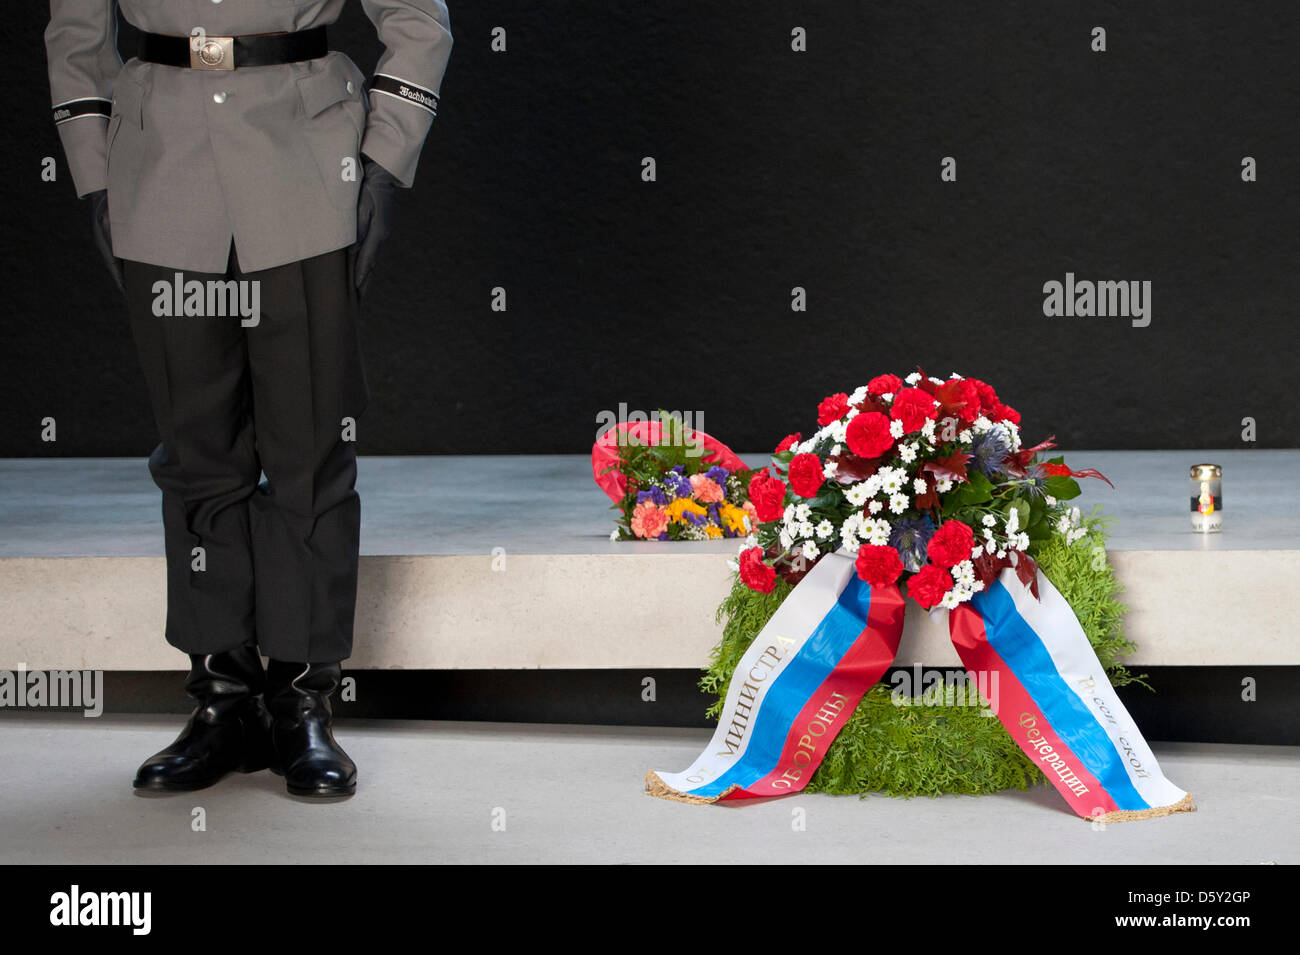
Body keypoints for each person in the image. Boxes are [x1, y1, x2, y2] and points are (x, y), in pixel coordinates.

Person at [45, 0, 453, 797]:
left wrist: (380, 163)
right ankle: (222, 702)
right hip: (158, 167)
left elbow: (419, 17)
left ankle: (302, 702)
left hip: (305, 163)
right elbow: (75, 31)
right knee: (197, 452)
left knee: (307, 447)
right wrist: (94, 171)